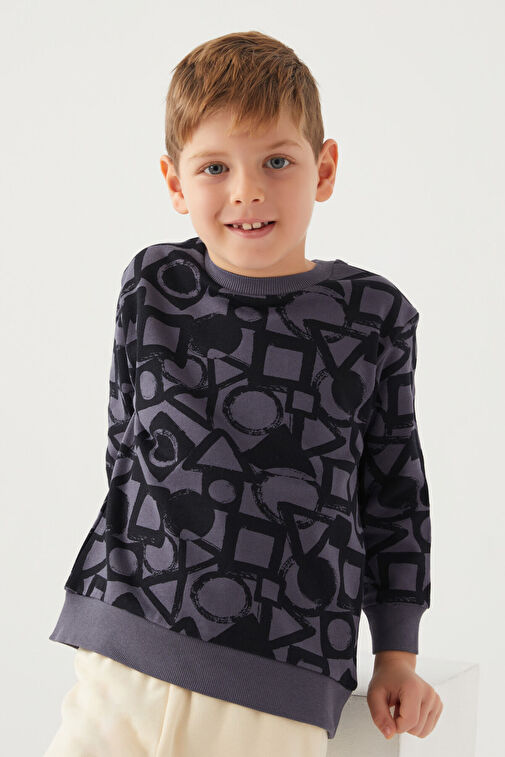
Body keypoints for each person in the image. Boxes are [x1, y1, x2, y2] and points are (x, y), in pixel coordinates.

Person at [45, 29, 443, 757]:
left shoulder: (372, 316)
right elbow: (125, 446)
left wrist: (396, 653)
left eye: (276, 161)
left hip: (277, 679)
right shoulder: (152, 284)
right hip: (120, 653)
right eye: (214, 167)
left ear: (324, 168)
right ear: (174, 183)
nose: (247, 191)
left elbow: (393, 491)